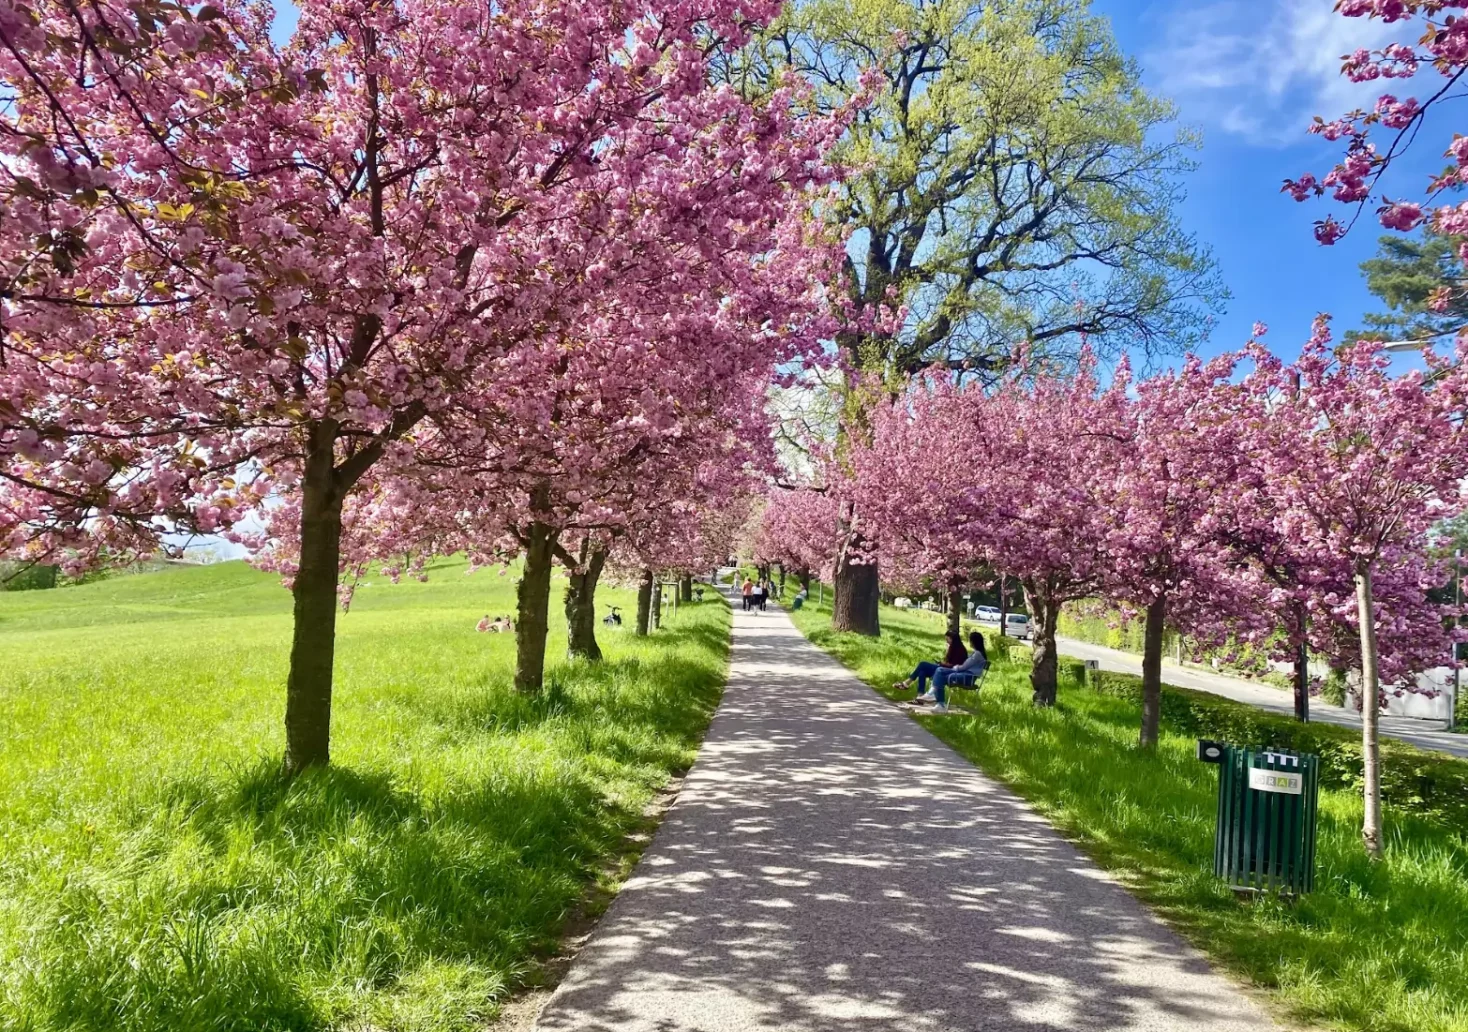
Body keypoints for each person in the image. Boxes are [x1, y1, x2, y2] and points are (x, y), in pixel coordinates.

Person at [918, 631, 989, 714]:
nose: (969, 642)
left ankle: (937, 700)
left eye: (970, 640)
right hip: (964, 675)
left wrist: (954, 667)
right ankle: (937, 701)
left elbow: (964, 667)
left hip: (967, 678)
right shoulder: (977, 653)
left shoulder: (977, 654)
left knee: (940, 671)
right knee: (940, 672)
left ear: (974, 642)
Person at [892, 630, 967, 697]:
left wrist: (942, 663)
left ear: (952, 639)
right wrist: (945, 655)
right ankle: (920, 695)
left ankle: (906, 683)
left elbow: (954, 665)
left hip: (948, 671)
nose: (946, 642)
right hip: (945, 668)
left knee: (922, 664)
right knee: (922, 672)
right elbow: (948, 661)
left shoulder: (959, 649)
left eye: (947, 639)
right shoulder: (954, 647)